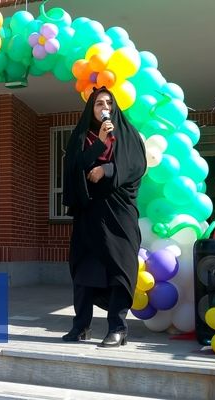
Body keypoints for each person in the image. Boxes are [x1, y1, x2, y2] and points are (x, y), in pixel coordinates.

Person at [62, 87, 147, 348]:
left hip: (119, 212)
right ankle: (81, 326)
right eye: (98, 103)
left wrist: (107, 169)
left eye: (108, 102)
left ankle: (118, 328)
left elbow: (136, 165)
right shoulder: (81, 136)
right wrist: (99, 141)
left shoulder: (127, 134)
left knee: (119, 270)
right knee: (83, 269)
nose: (104, 107)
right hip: (89, 212)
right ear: (92, 108)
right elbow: (74, 167)